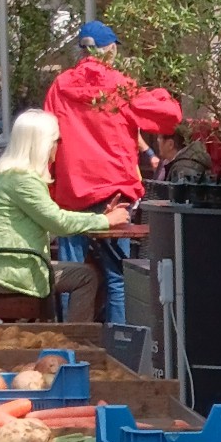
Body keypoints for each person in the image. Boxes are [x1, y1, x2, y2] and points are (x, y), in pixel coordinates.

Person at [43, 20, 180, 326]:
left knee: (68, 275)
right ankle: (119, 348)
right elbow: (170, 118)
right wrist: (159, 93)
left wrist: (51, 188)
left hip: (71, 191)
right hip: (112, 193)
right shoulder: (120, 86)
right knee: (116, 276)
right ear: (111, 50)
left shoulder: (60, 86)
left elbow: (47, 138)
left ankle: (70, 345)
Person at [0, 110, 128, 320]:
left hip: (2, 265)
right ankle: (73, 341)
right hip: (10, 270)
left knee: (84, 273)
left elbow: (45, 224)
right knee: (86, 277)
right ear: (42, 143)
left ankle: (69, 338)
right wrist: (105, 220)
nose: (58, 147)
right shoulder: (24, 180)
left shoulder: (9, 176)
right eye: (57, 140)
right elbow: (57, 222)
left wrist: (99, 220)